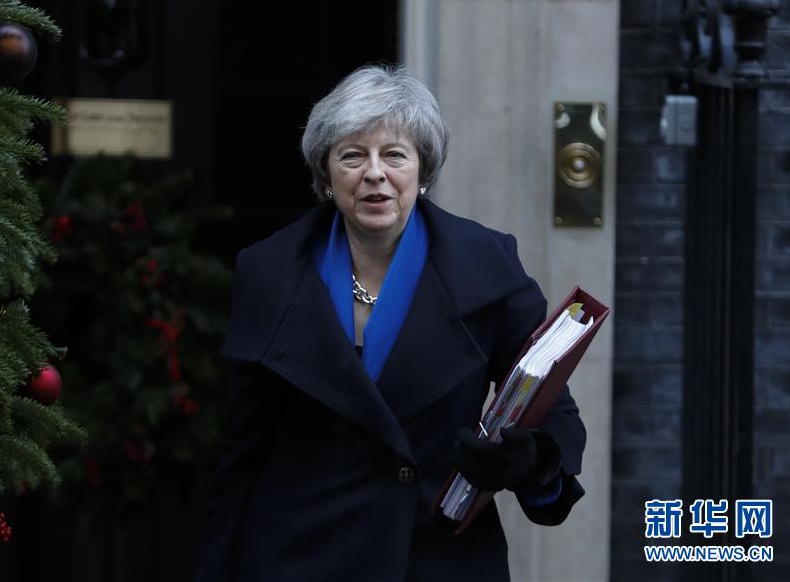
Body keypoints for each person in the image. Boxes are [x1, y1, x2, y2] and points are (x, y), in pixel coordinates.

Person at [194, 64, 586, 582]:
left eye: (394, 155)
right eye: (352, 155)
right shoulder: (267, 271)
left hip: (436, 558)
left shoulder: (488, 265)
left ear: (422, 171)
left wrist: (529, 461)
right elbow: (241, 450)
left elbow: (552, 406)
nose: (374, 172)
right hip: (298, 556)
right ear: (326, 174)